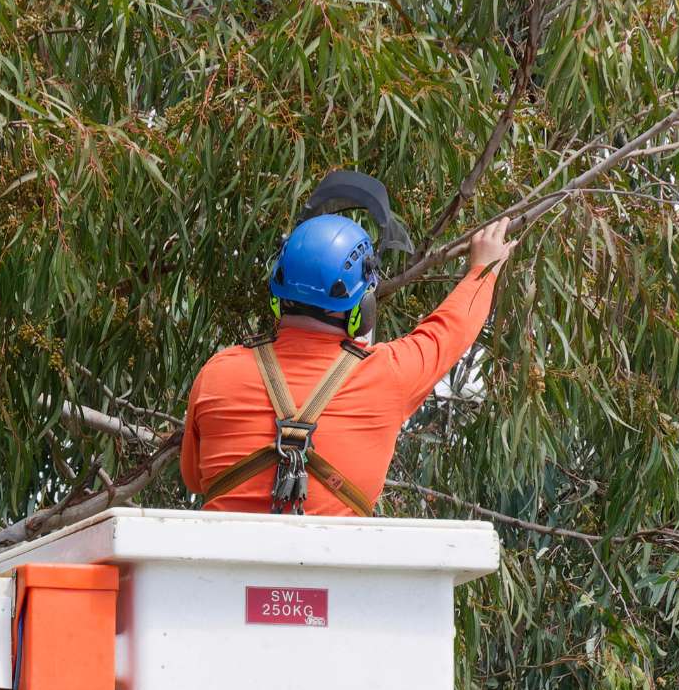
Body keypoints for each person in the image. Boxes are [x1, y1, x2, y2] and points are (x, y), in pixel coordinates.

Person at [181, 215, 516, 516]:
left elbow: (195, 479)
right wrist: (483, 270)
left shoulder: (218, 373)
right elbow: (451, 330)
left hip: (224, 578)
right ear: (362, 306)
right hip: (335, 578)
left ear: (277, 297)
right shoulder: (388, 374)